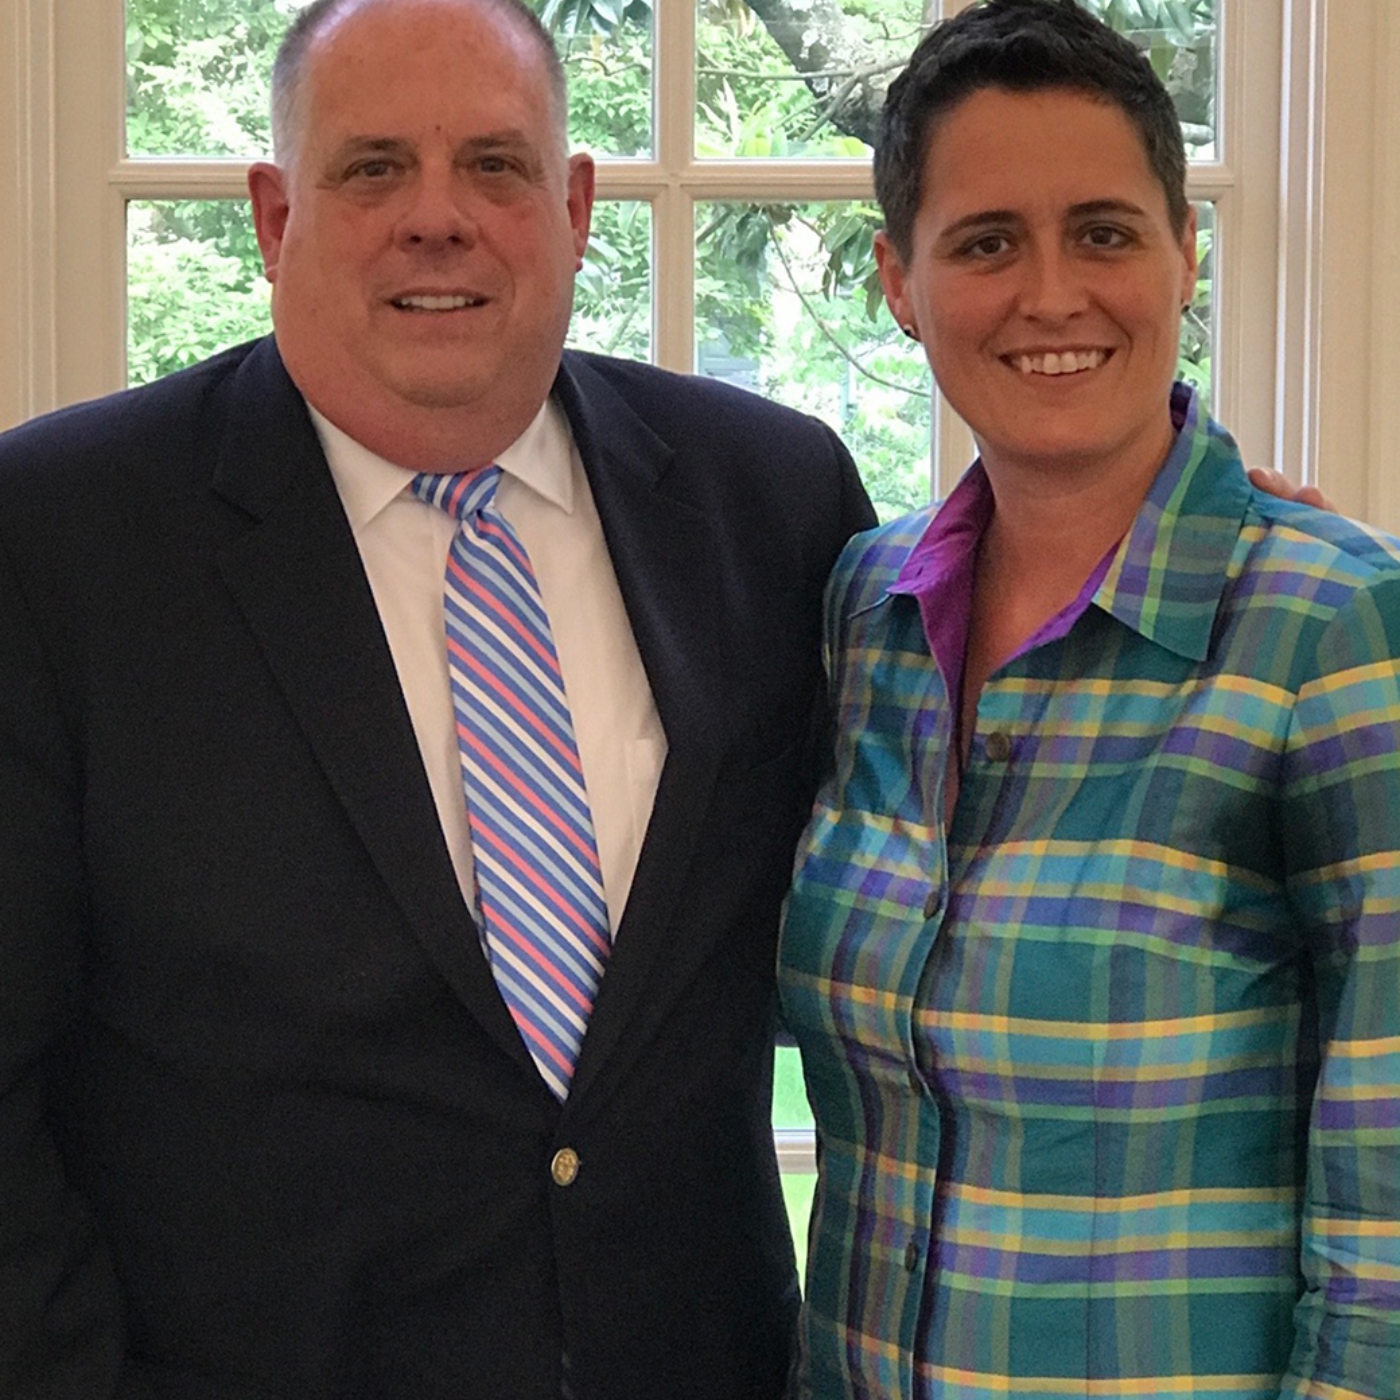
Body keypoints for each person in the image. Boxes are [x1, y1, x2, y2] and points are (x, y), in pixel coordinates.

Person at [0, 0, 877, 1395]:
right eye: (372, 169)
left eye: (494, 164)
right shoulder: (56, 538)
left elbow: (907, 888)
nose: (437, 218)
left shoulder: (771, 501)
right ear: (274, 216)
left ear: (573, 208)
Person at [778, 3, 1400, 1398]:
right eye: (986, 242)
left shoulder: (1336, 629)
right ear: (899, 279)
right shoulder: (864, 616)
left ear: (1186, 253)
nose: (1052, 294)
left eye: (1105, 233)